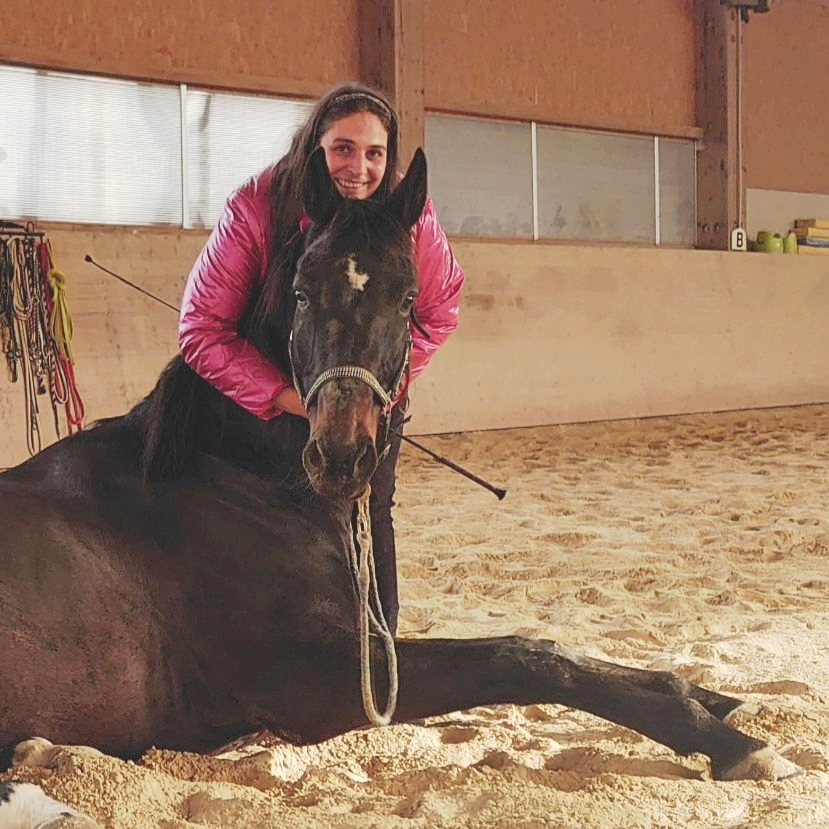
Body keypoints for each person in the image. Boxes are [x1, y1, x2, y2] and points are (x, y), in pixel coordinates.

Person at [178, 81, 465, 634]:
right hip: (274, 391)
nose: (359, 168)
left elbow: (439, 310)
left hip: (371, 395)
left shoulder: (410, 216)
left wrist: (383, 390)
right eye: (343, 149)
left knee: (373, 506)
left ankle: (381, 636)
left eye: (375, 153)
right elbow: (201, 328)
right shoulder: (257, 207)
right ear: (316, 147)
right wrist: (286, 399)